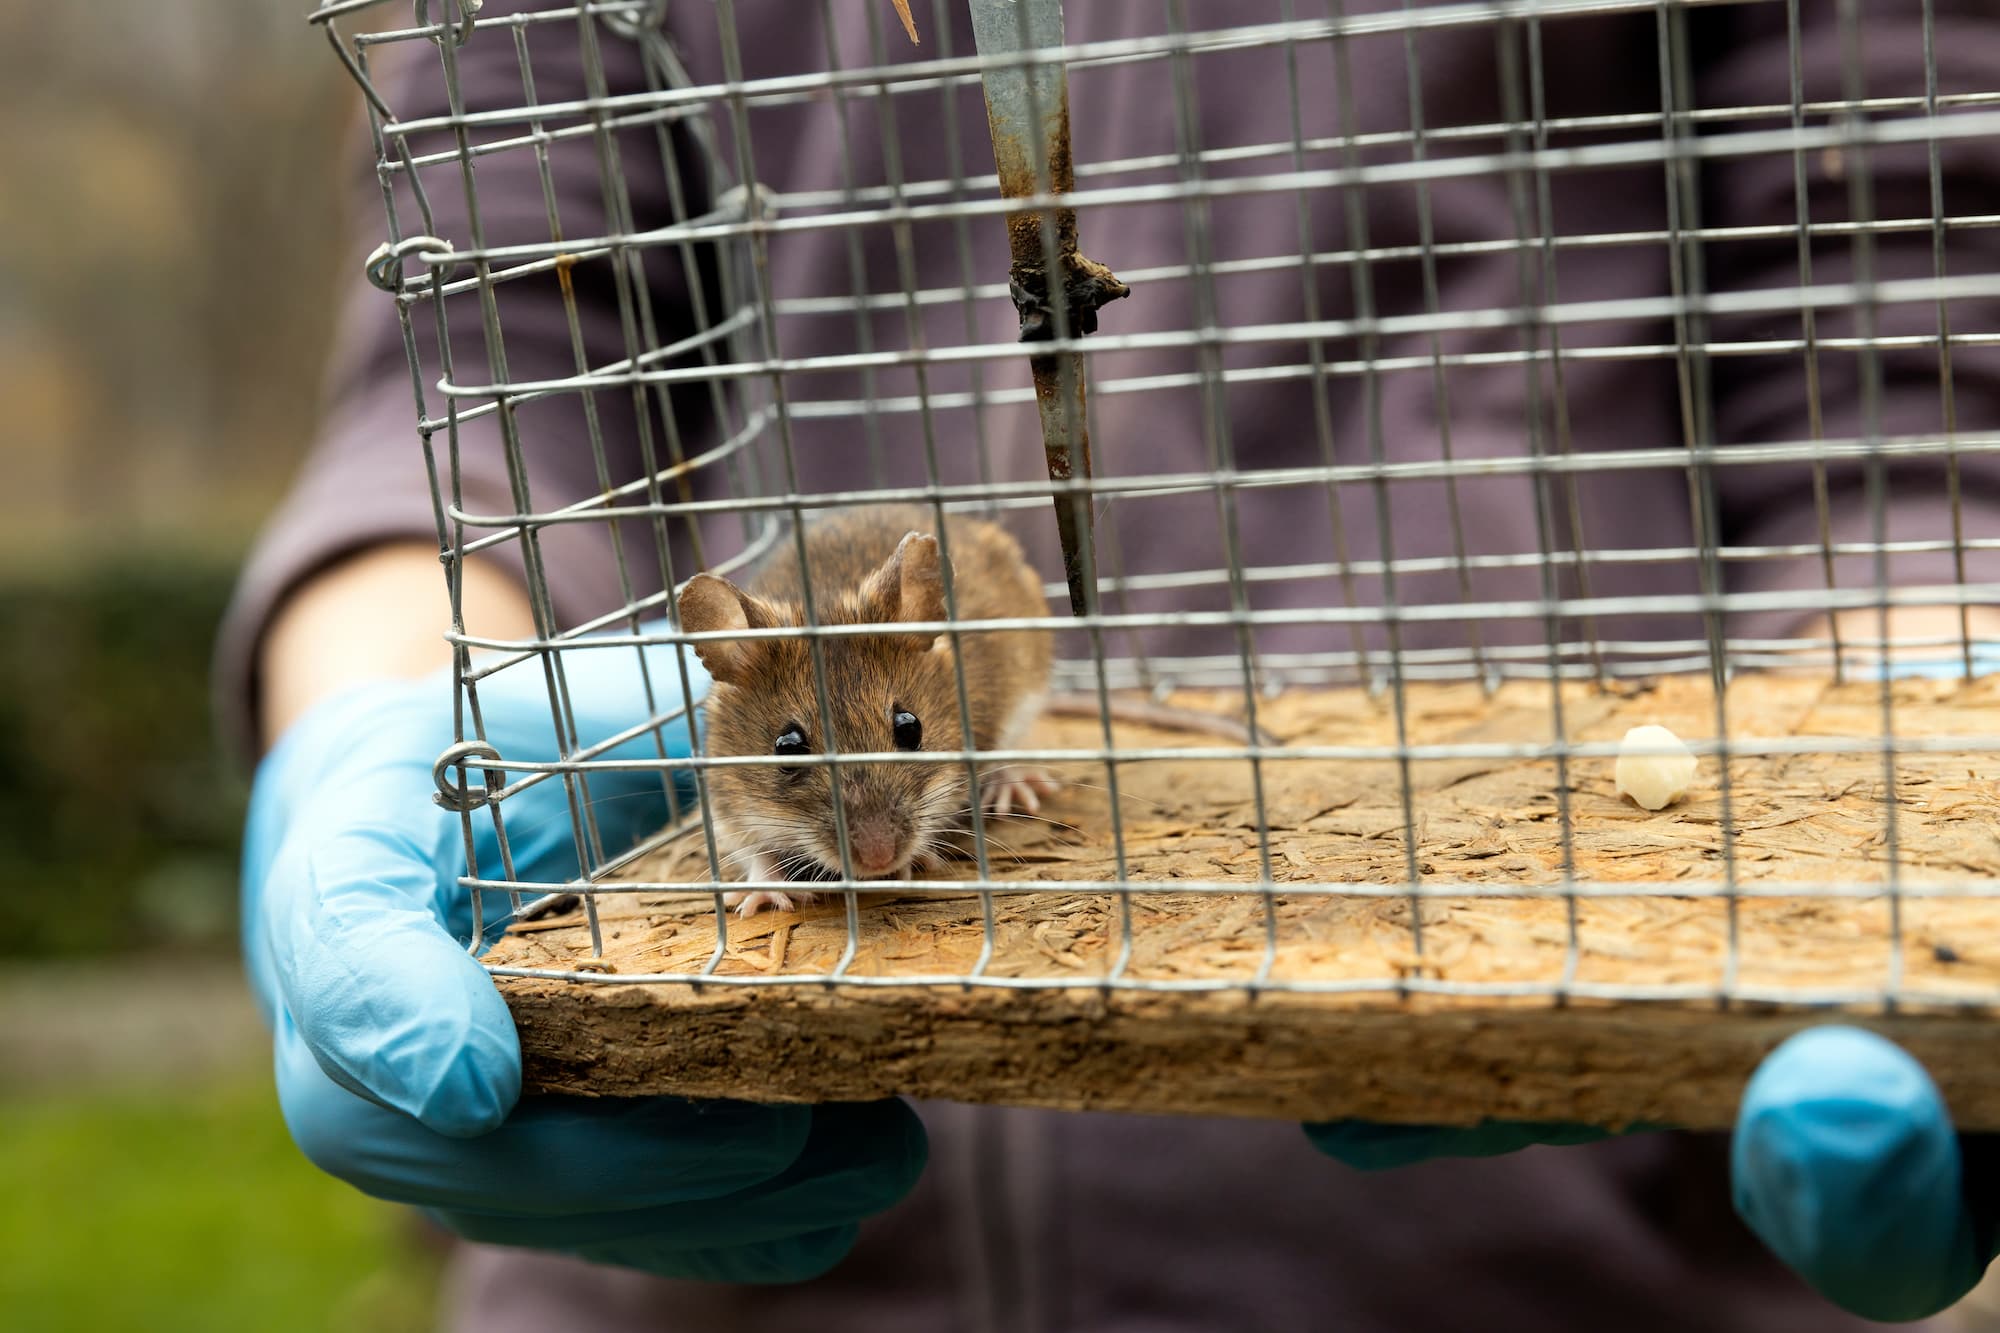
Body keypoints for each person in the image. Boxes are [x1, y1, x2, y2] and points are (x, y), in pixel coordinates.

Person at [222, 2, 2000, 1328]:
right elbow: (491, 328)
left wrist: (1933, 767)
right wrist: (402, 704)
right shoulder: (759, 702)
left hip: (1578, 1267)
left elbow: (1906, 311)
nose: (876, 831)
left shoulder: (959, 635)